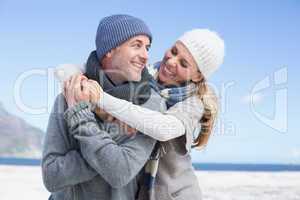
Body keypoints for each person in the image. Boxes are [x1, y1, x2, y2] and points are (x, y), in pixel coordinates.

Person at [61, 29, 224, 199]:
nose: (171, 62)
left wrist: (101, 98)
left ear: (198, 76)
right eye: (174, 51)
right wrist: (79, 80)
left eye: (184, 64)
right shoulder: (143, 75)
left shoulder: (193, 103)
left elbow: (163, 128)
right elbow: (67, 70)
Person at [42, 14, 166, 200]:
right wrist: (111, 151)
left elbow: (119, 173)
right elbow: (51, 176)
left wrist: (81, 116)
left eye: (147, 47)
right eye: (137, 45)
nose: (145, 56)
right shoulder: (71, 93)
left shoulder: (151, 105)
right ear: (109, 50)